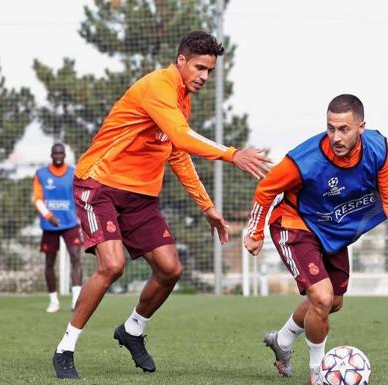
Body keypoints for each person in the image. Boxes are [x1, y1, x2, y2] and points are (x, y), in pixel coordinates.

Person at [51, 31, 271, 379]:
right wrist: (232, 154)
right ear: (181, 61)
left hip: (140, 196)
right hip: (99, 184)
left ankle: (133, 330)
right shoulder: (158, 86)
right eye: (199, 67)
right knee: (112, 265)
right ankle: (65, 348)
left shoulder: (182, 99)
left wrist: (207, 206)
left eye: (210, 71)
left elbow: (177, 152)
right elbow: (183, 137)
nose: (204, 76)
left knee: (170, 269)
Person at [243, 94, 388, 385]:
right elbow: (265, 189)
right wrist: (255, 231)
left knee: (332, 302)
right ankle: (319, 372)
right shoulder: (305, 160)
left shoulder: (379, 149)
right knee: (321, 298)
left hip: (331, 233)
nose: (336, 136)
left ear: (361, 127)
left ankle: (283, 340)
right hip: (294, 223)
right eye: (330, 128)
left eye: (344, 129)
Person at [33, 143, 83, 313]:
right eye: (56, 153)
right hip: (50, 224)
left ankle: (76, 300)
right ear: (51, 155)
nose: (58, 155)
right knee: (49, 262)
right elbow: (37, 199)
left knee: (76, 257)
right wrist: (48, 216)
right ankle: (53, 301)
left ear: (64, 155)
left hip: (70, 223)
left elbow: (79, 196)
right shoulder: (41, 174)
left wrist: (79, 215)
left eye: (61, 153)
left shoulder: (73, 173)